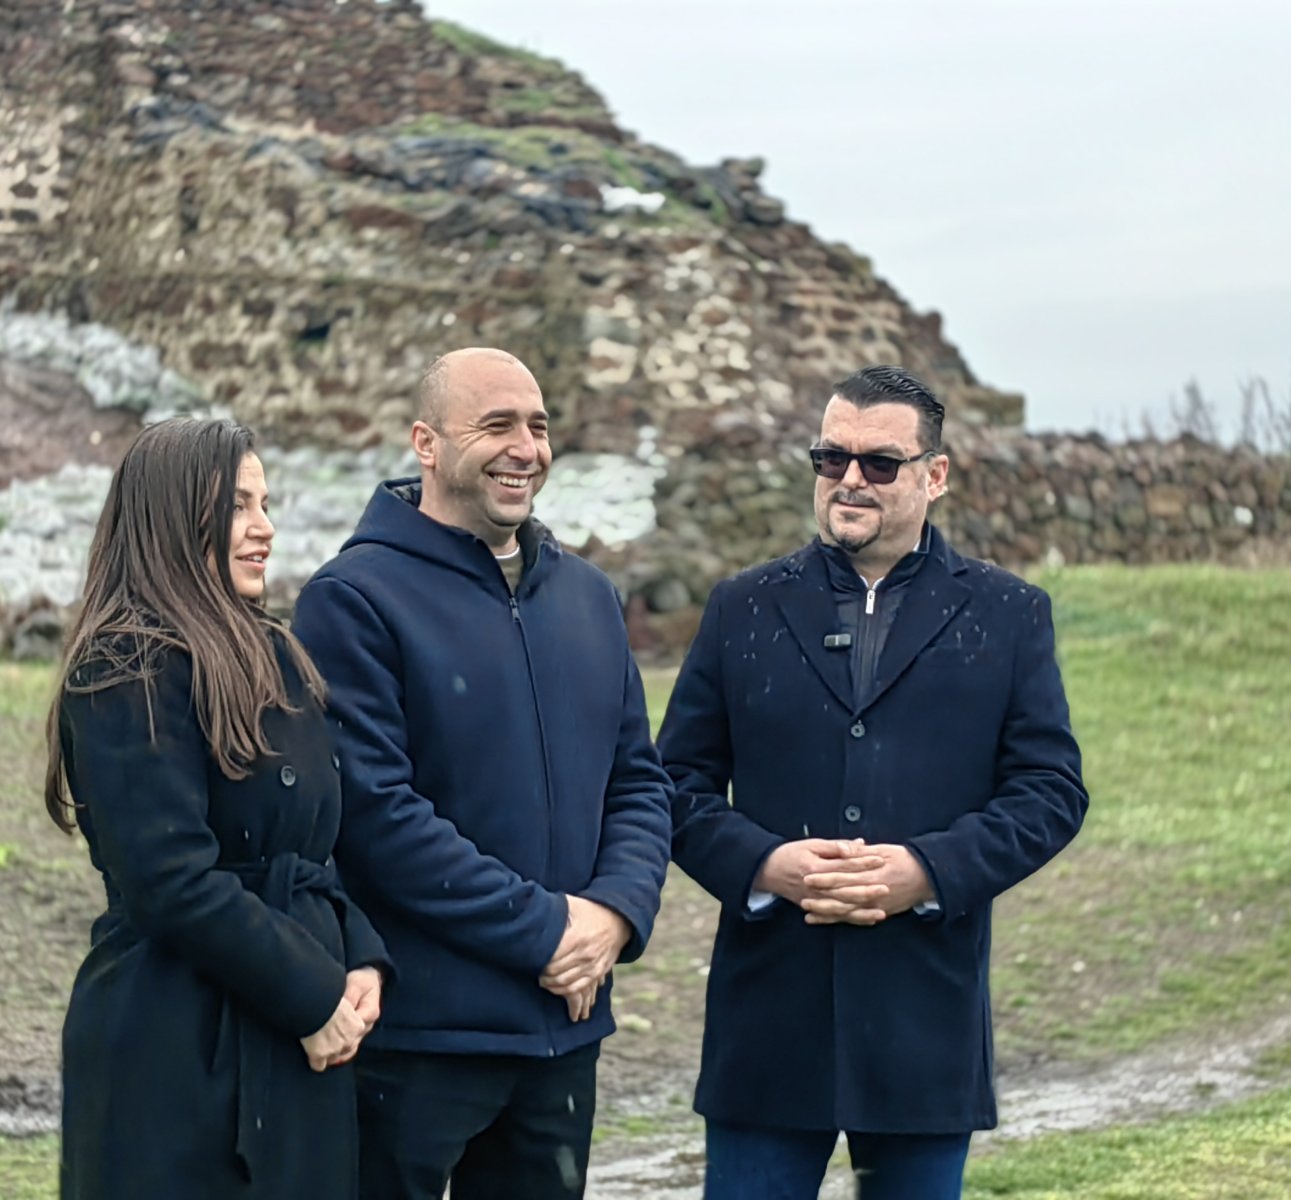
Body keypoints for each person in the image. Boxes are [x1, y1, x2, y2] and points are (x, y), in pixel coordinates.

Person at [659, 365, 1089, 1200]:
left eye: (880, 463)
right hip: (769, 1016)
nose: (850, 479)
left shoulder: (1008, 614)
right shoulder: (741, 607)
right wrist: (766, 865)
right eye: (832, 458)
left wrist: (927, 872)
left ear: (936, 474)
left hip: (923, 1016)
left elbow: (1049, 791)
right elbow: (673, 781)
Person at [290, 347, 672, 1200]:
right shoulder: (351, 600)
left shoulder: (589, 597)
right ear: (425, 444)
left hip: (564, 1032)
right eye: (496, 425)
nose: (525, 448)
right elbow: (376, 815)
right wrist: (548, 932)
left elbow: (638, 782)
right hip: (419, 1041)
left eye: (538, 426)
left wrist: (615, 916)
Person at [45, 417, 392, 1200]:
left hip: (295, 1040)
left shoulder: (275, 654)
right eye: (237, 506)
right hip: (178, 1045)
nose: (264, 528)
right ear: (171, 516)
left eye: (265, 504)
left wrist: (360, 957)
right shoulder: (124, 667)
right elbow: (167, 878)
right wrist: (312, 995)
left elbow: (312, 847)